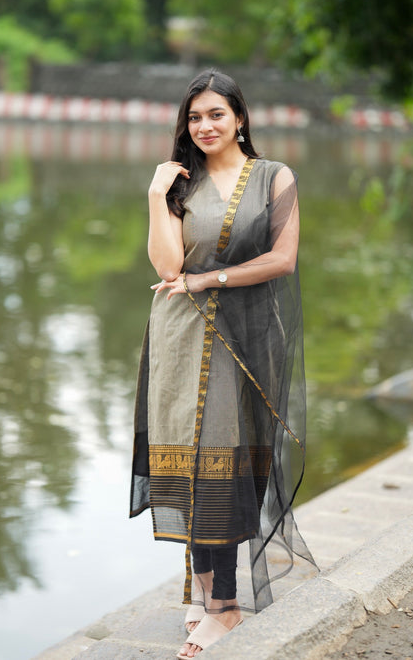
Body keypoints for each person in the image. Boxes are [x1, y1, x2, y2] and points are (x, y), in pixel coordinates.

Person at [130, 69, 316, 659]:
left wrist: (208, 279)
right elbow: (167, 268)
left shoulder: (273, 177)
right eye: (194, 117)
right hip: (181, 335)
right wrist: (156, 195)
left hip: (248, 335)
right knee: (190, 459)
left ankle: (226, 608)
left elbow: (282, 259)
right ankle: (208, 595)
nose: (205, 126)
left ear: (239, 117)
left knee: (225, 463)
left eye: (216, 114)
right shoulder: (180, 183)